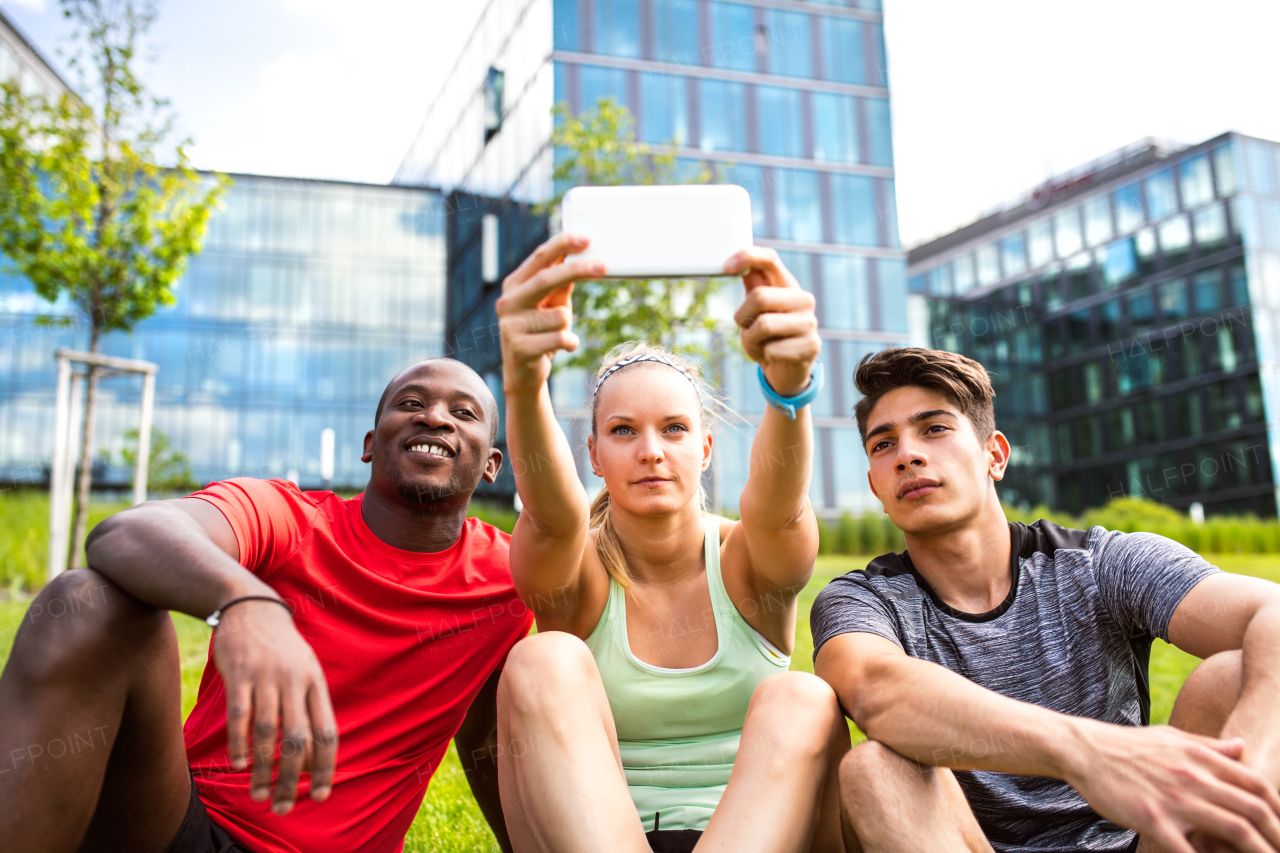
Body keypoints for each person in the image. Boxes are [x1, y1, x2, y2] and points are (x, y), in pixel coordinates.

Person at [0, 358, 532, 853]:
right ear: (370, 443)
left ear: (491, 464)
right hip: (180, 825)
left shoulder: (513, 579)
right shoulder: (286, 516)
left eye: (463, 413)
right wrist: (246, 602)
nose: (435, 418)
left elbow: (487, 741)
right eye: (411, 404)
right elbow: (128, 531)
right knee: (85, 601)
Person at [810, 346, 1280, 853]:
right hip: (965, 844)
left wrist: (1246, 788)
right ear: (876, 487)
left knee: (1232, 676)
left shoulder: (1099, 563)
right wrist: (1087, 752)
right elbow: (877, 691)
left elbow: (1271, 614)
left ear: (995, 455)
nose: (907, 455)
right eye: (883, 445)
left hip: (1147, 844)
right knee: (875, 769)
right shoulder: (861, 599)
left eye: (935, 429)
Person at [492, 233, 849, 853]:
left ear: (705, 449)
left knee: (804, 695)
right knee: (539, 660)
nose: (651, 450)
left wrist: (788, 391)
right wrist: (525, 383)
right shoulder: (578, 579)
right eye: (623, 430)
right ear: (595, 457)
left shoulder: (746, 564)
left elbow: (779, 511)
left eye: (675, 428)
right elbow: (552, 518)